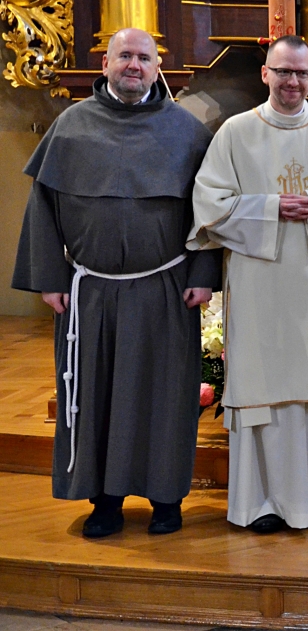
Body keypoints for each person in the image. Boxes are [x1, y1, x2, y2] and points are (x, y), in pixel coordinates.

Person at [13, 27, 218, 538]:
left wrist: (203, 274)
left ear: (156, 67)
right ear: (105, 64)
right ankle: (104, 500)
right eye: (124, 55)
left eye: (143, 57)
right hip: (92, 293)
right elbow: (43, 208)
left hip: (165, 289)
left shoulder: (186, 131)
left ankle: (166, 497)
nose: (133, 65)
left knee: (164, 395)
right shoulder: (71, 127)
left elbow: (209, 210)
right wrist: (50, 278)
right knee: (96, 394)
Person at [188, 36, 308, 533]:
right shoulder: (236, 132)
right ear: (265, 73)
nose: (293, 82)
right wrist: (271, 208)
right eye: (284, 71)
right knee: (267, 385)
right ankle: (266, 502)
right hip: (260, 283)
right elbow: (209, 205)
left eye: (302, 74)